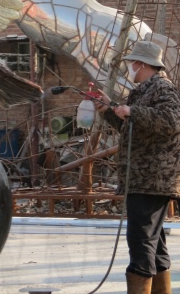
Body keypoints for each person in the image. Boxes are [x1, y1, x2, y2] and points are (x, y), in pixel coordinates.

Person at [95, 41, 180, 294]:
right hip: (145, 179)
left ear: (141, 64)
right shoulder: (143, 91)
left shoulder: (162, 88)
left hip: (152, 179)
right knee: (155, 244)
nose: (128, 68)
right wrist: (109, 110)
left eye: (131, 63)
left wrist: (132, 111)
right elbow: (132, 129)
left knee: (141, 242)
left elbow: (172, 121)